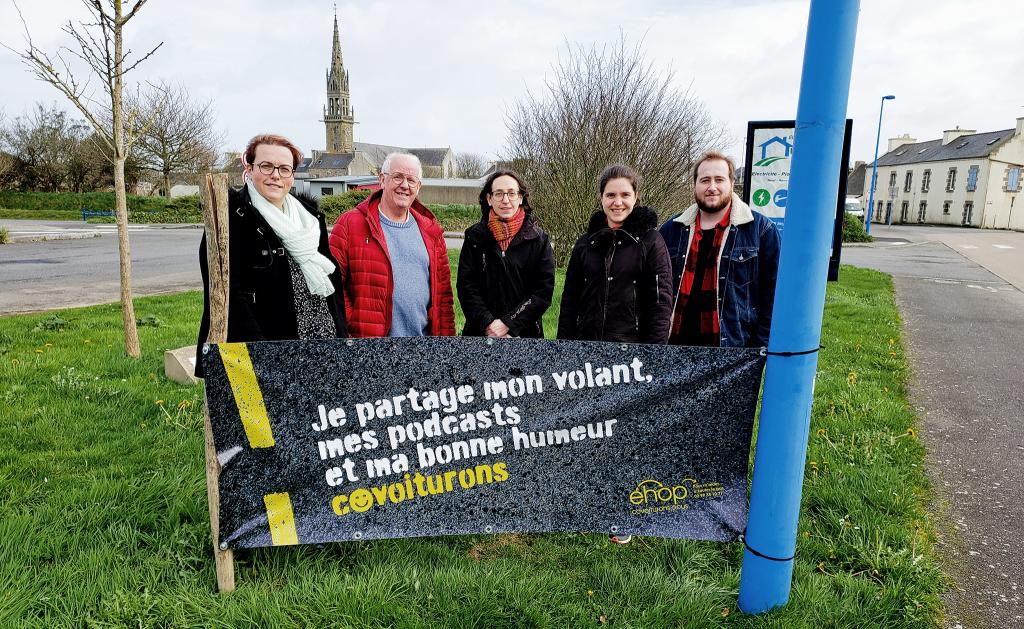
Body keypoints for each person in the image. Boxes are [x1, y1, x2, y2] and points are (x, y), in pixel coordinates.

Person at [195, 133, 347, 377]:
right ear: (250, 168)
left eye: (284, 169)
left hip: (320, 348)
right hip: (260, 356)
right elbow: (227, 295)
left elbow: (332, 287)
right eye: (266, 166)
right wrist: (264, 357)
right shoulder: (230, 218)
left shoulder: (309, 219)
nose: (275, 175)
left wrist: (341, 338)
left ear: (292, 175)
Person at [658, 151, 781, 348]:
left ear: (732, 184)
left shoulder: (761, 230)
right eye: (705, 180)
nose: (712, 187)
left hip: (733, 355)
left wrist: (757, 349)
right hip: (674, 351)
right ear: (695, 185)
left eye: (719, 180)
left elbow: (775, 296)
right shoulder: (671, 229)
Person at [329, 152, 455, 337]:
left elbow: (443, 299)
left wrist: (446, 345)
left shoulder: (431, 231)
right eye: (397, 177)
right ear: (382, 180)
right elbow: (331, 285)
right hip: (369, 349)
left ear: (418, 187)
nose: (404, 185)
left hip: (423, 348)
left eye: (411, 180)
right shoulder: (350, 223)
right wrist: (352, 324)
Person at [557, 163, 673, 345]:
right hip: (586, 348)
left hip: (632, 353)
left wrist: (654, 357)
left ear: (636, 197)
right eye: (610, 195)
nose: (617, 202)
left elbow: (660, 306)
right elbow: (569, 303)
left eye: (625, 195)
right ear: (601, 198)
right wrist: (563, 348)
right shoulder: (585, 243)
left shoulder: (652, 242)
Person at [457, 170, 555, 338]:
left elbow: (543, 291)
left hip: (525, 336)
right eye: (499, 194)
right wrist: (488, 324)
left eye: (511, 193)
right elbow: (467, 287)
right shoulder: (474, 237)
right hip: (480, 335)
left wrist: (509, 324)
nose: (505, 200)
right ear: (489, 199)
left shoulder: (539, 239)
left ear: (521, 198)